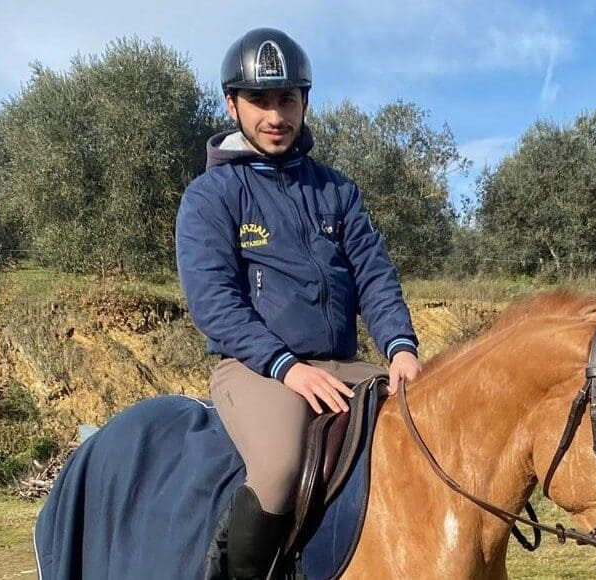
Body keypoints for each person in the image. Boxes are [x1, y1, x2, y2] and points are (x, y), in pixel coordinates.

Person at [175, 27, 421, 579]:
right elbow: (215, 303)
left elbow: (375, 277)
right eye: (259, 100)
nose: (274, 115)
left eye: (286, 99)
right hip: (256, 368)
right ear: (231, 104)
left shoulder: (338, 190)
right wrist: (287, 368)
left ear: (304, 102)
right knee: (281, 467)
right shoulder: (210, 196)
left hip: (345, 363)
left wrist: (401, 348)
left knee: (423, 430)